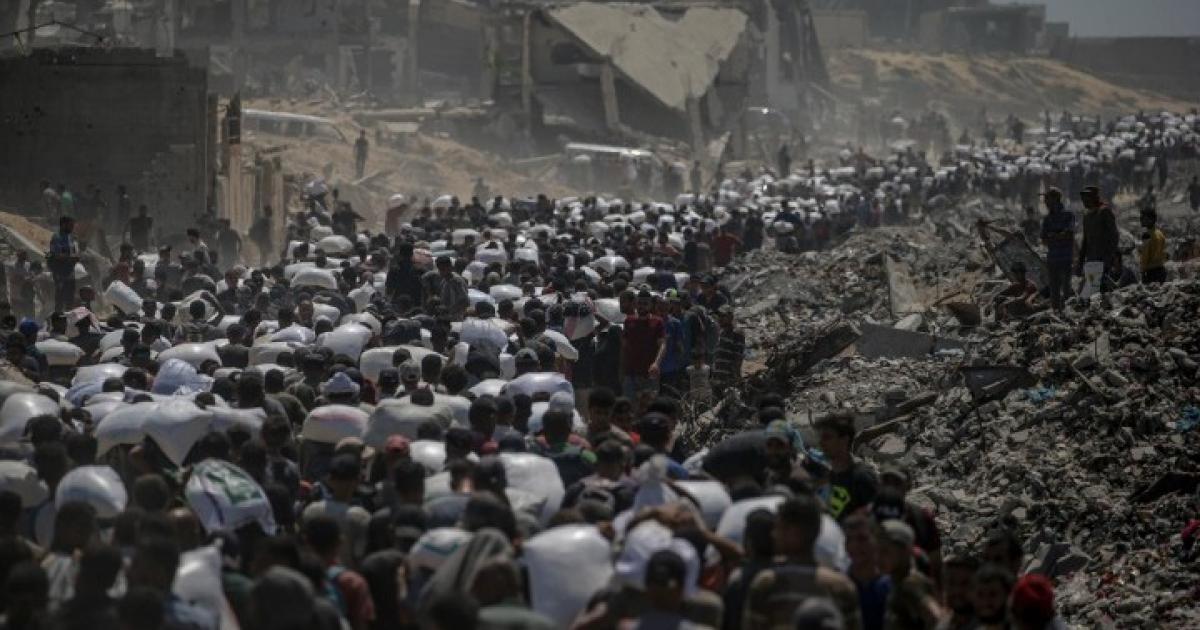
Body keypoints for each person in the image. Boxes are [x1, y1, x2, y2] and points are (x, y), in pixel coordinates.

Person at [743, 495, 862, 628]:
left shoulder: (767, 584)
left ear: (794, 533)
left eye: (779, 527)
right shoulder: (842, 587)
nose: (774, 534)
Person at [815, 413, 878, 522]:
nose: (821, 443)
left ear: (844, 440)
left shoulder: (862, 477)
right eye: (820, 438)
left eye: (827, 437)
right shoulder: (829, 476)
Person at [1076, 186, 1119, 290]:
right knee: (1093, 289)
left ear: (1095, 198)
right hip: (1092, 259)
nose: (1084, 201)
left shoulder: (1104, 212)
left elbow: (1114, 236)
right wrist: (1080, 262)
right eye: (1083, 198)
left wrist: (1109, 257)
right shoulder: (1087, 216)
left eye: (1088, 198)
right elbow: (1085, 241)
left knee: (1099, 289)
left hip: (1103, 258)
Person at [1039, 189, 1074, 312]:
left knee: (1066, 290)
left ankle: (1069, 314)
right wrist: (1058, 235)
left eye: (1047, 199)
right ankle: (1057, 316)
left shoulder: (1068, 215)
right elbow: (1044, 239)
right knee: (1054, 292)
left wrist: (1053, 236)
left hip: (1065, 258)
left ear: (1055, 199)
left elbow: (1068, 234)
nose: (1045, 202)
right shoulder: (1047, 219)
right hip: (1053, 259)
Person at [47, 216, 80, 313]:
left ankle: (69, 318)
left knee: (70, 300)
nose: (72, 227)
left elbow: (75, 252)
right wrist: (70, 257)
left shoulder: (71, 238)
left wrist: (76, 256)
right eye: (70, 225)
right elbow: (57, 255)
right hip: (60, 274)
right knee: (60, 300)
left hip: (70, 274)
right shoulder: (57, 237)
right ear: (63, 225)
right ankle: (58, 319)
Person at [1137, 209, 1167, 284]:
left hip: (1151, 273)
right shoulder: (1160, 233)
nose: (1141, 220)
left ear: (1151, 220)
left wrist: (1143, 270)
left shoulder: (1147, 235)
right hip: (1161, 270)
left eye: (1143, 218)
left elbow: (1145, 255)